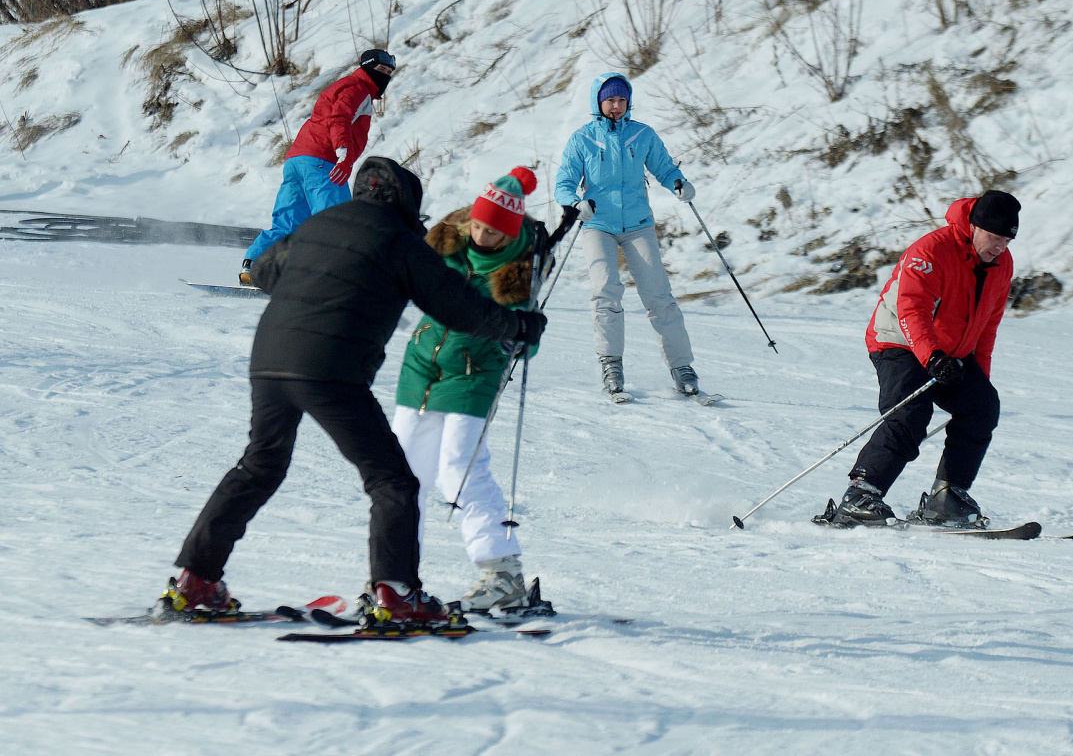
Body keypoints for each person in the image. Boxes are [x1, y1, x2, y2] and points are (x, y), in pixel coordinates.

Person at [165, 157, 548, 625]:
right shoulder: (400, 242)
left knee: (258, 466)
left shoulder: (321, 222)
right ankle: (397, 594)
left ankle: (197, 580)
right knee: (393, 480)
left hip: (268, 361)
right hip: (330, 369)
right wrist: (521, 325)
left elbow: (265, 270)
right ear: (406, 202)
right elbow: (462, 309)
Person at [391, 167, 547, 612]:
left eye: (493, 231)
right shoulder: (445, 242)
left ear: (511, 232)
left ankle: (502, 571)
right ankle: (395, 574)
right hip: (420, 366)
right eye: (477, 225)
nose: (481, 236)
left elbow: (524, 340)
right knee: (401, 474)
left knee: (459, 469)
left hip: (474, 372)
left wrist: (519, 340)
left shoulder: (519, 271)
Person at [820, 190, 1021, 528]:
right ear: (974, 227)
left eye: (1006, 240)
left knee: (982, 405)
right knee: (910, 413)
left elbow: (987, 327)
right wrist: (932, 357)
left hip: (948, 351)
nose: (1000, 246)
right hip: (897, 340)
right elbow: (910, 309)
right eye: (994, 237)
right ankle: (861, 495)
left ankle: (947, 496)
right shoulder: (931, 250)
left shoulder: (1002, 265)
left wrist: (979, 379)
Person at [554, 72, 702, 401]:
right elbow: (563, 182)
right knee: (606, 290)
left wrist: (678, 182)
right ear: (598, 103)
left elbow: (664, 167)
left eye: (622, 100)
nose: (617, 106)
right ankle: (611, 364)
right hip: (598, 224)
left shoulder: (642, 135)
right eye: (611, 100)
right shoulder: (583, 139)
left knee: (659, 294)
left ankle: (682, 367)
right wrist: (575, 203)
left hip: (638, 223)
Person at [239, 49, 397, 285]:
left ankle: (254, 266)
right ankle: (332, 276)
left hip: (298, 159)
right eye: (380, 70)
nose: (385, 76)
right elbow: (339, 117)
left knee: (288, 222)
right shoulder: (358, 88)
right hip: (325, 161)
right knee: (335, 221)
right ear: (366, 68)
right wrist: (342, 151)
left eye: (388, 72)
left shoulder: (347, 86)